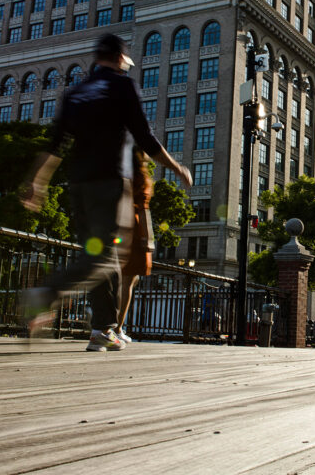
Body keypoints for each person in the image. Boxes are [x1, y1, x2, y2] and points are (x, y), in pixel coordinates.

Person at [21, 34, 192, 352]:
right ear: (120, 58)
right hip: (110, 181)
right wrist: (176, 167)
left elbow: (55, 144)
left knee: (104, 253)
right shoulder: (122, 86)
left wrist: (37, 182)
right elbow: (144, 135)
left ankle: (103, 329)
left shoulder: (76, 92)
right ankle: (47, 293)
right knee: (104, 256)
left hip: (78, 184)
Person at [113, 149, 156, 344]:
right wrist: (148, 239)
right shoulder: (139, 178)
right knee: (128, 280)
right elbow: (144, 210)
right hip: (131, 229)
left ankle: (106, 325)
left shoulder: (116, 174)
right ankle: (117, 327)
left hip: (113, 228)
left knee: (119, 279)